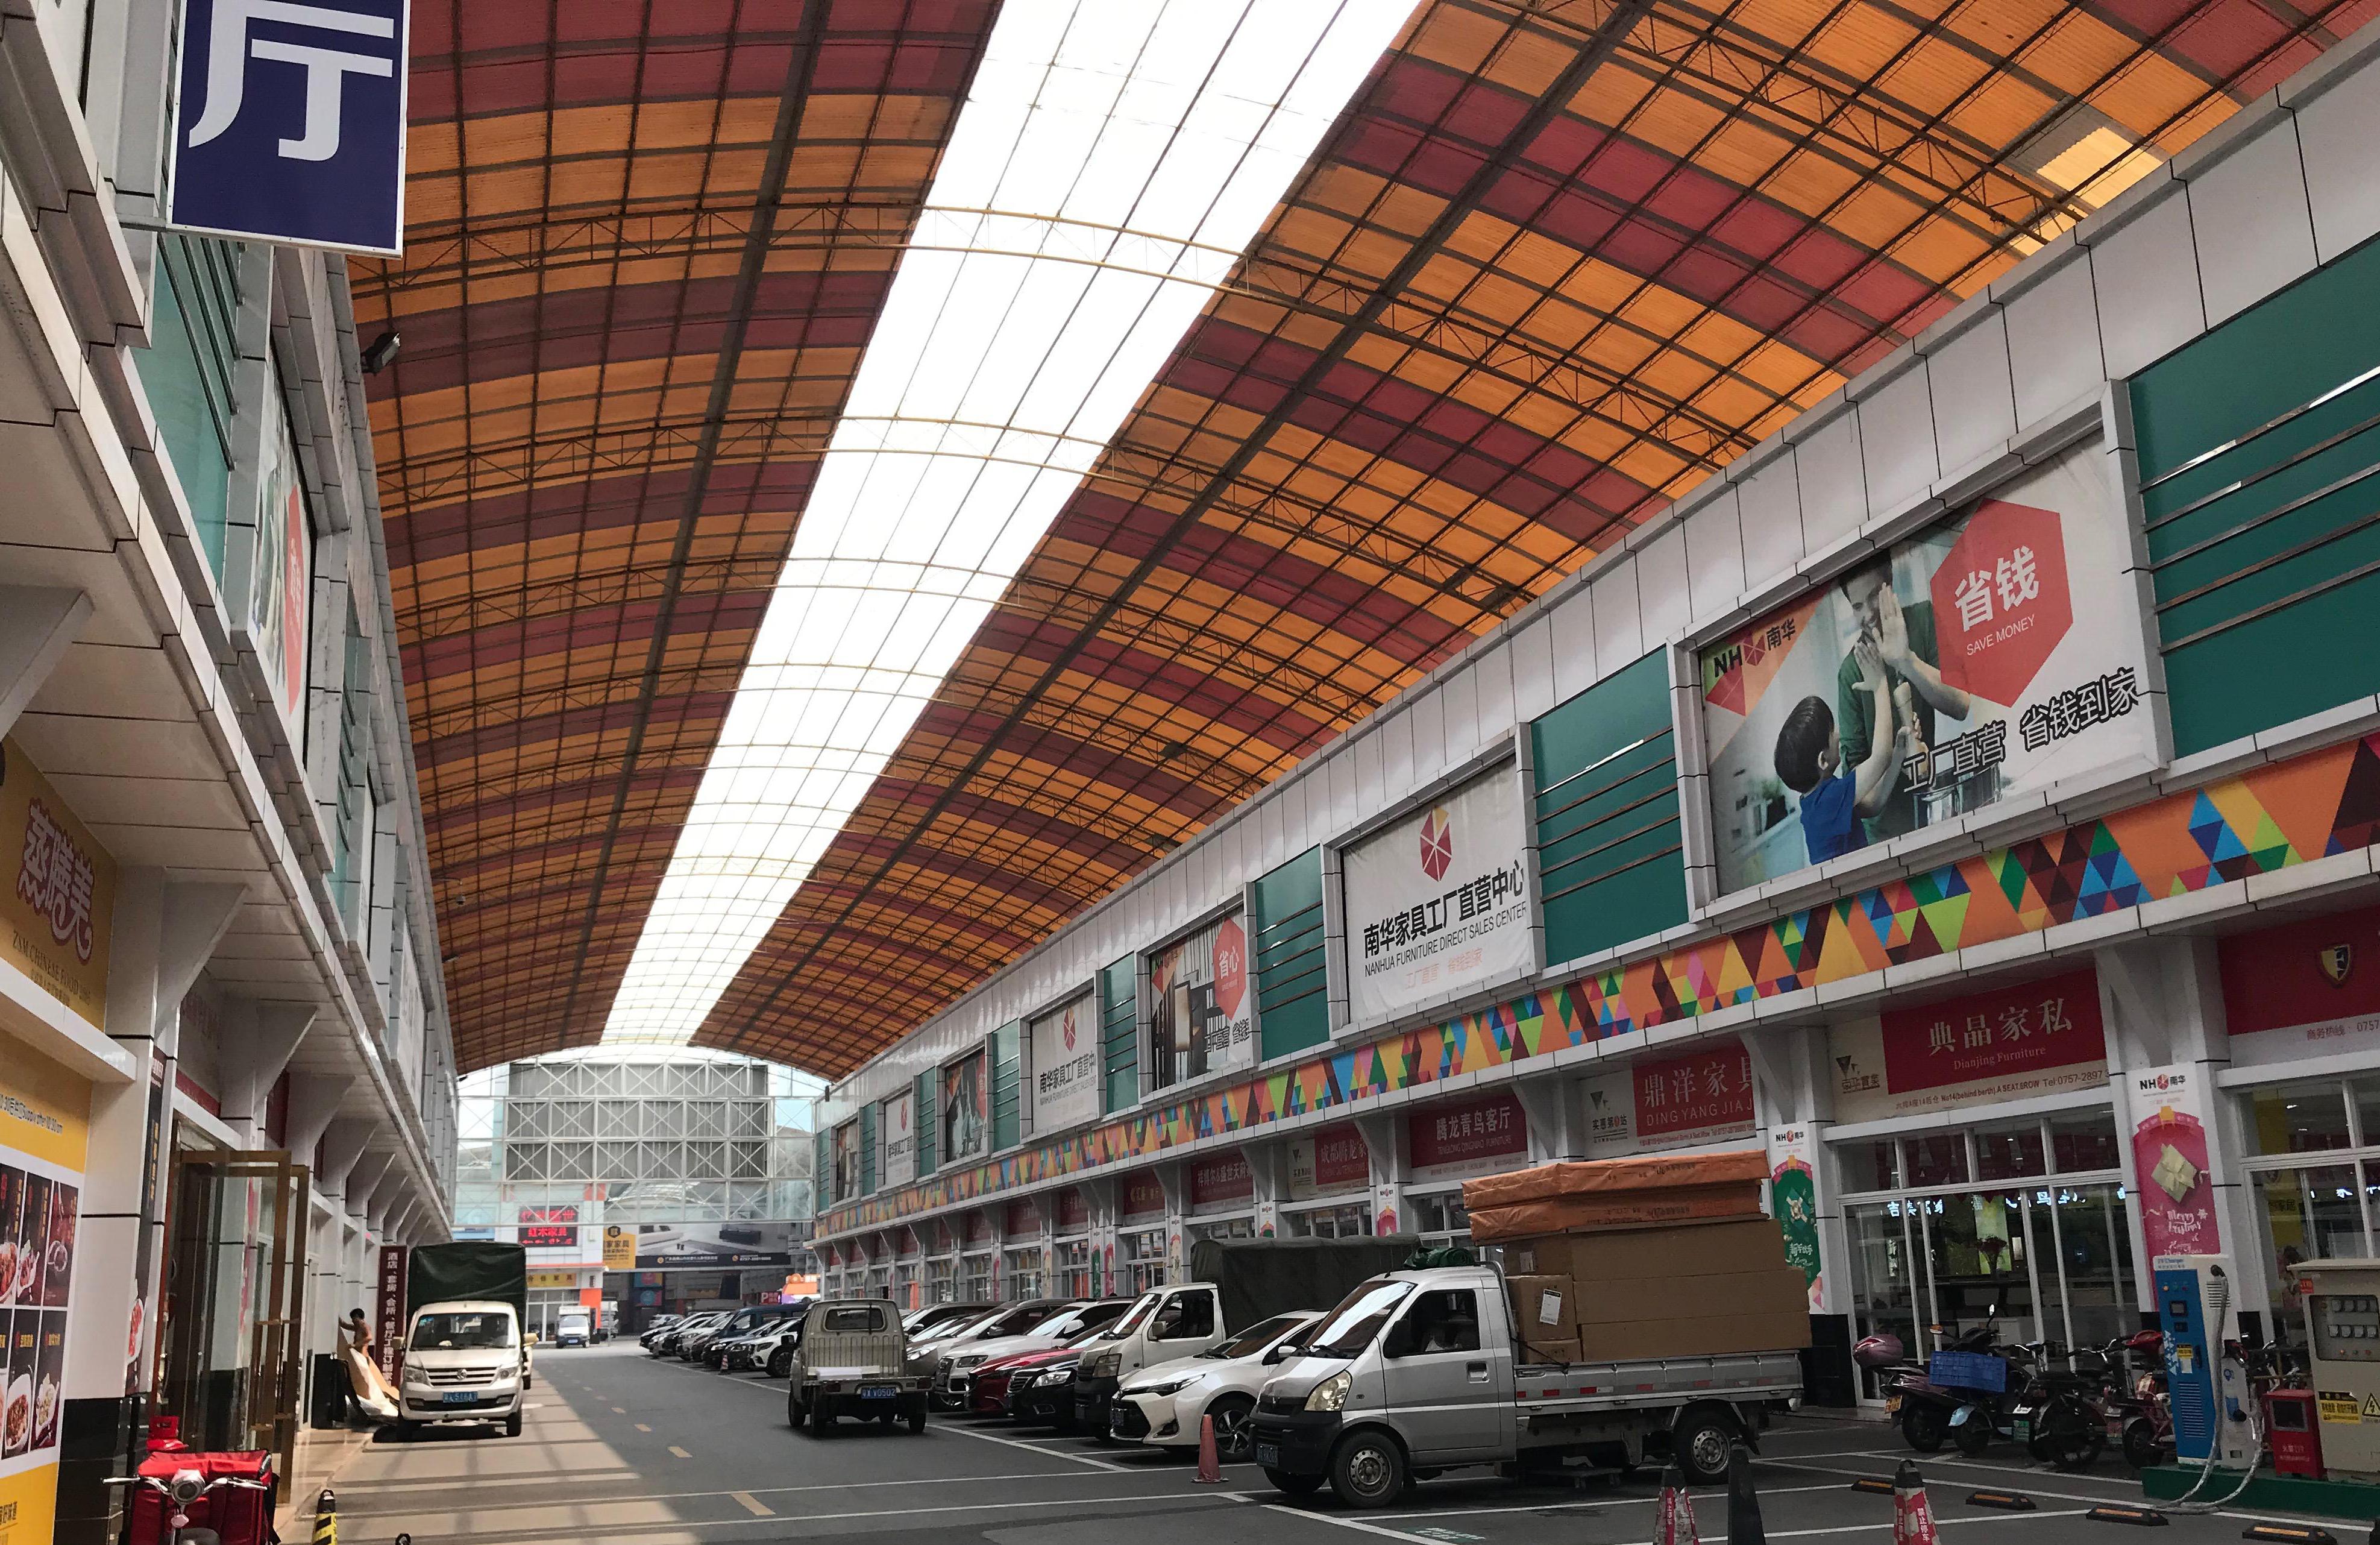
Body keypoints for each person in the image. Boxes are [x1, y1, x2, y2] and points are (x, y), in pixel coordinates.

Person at [1834, 562, 1970, 840]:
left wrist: (1907, 660)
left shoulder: (1923, 619)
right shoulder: (1851, 672)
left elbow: (1961, 705)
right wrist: (1896, 758)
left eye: (1875, 595)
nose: (1869, 613)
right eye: (1858, 606)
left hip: (1934, 810)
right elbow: (1859, 791)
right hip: (1887, 834)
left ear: (1891, 583)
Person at [1775, 637, 1906, 866]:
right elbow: (1880, 756)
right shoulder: (1829, 800)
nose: (1839, 735)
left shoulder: (1816, 801)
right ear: (1823, 760)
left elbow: (1872, 804)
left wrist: (1898, 755)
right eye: (1832, 732)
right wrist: (1880, 685)